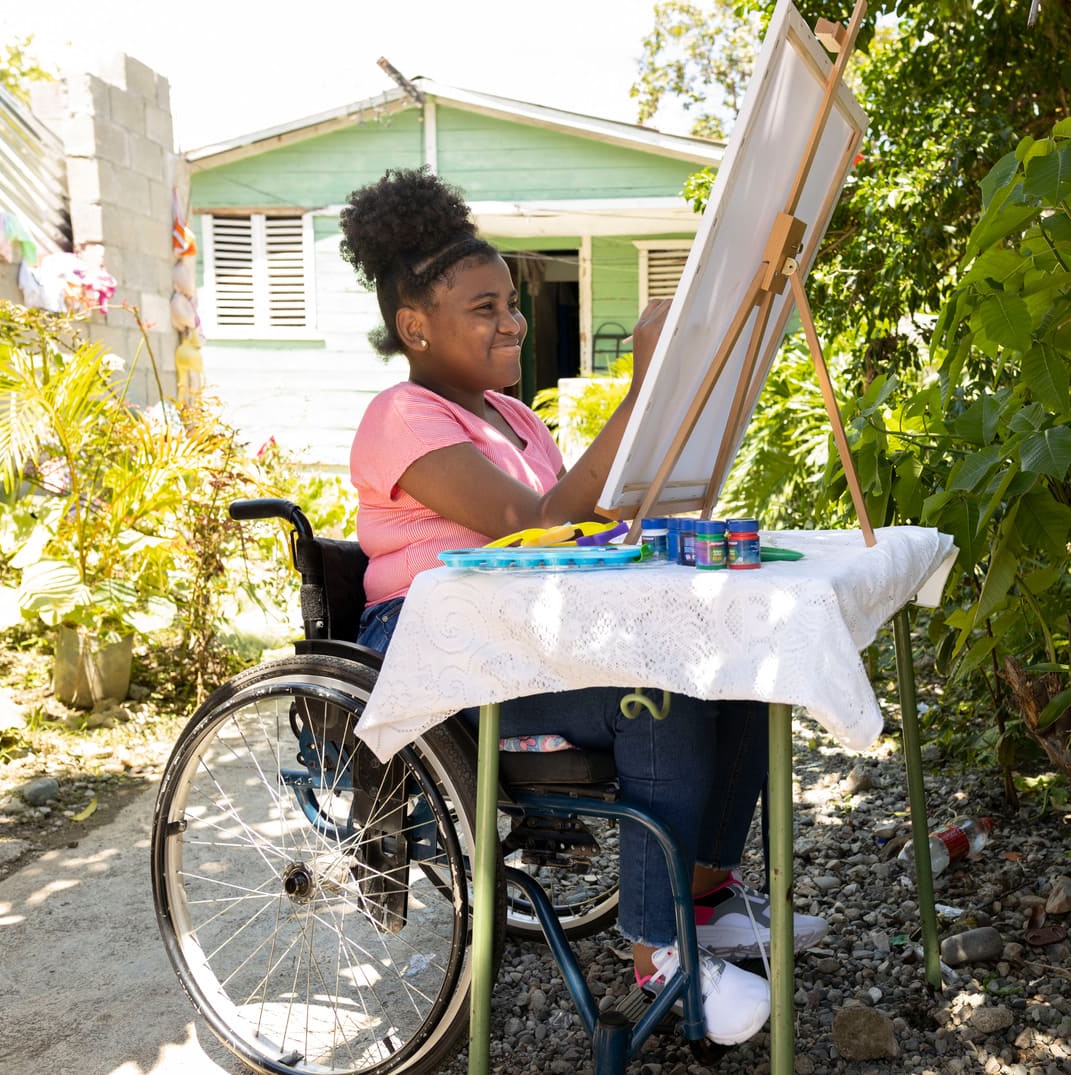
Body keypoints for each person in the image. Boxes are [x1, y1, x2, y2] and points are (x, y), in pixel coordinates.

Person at [339, 167, 827, 1047]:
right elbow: (534, 521)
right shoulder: (401, 415)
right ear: (415, 326)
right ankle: (659, 951)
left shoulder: (515, 421)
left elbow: (584, 522)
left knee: (738, 670)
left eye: (511, 303)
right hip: (448, 660)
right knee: (661, 691)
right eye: (484, 307)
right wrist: (642, 394)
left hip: (523, 642)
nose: (513, 321)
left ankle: (705, 897)